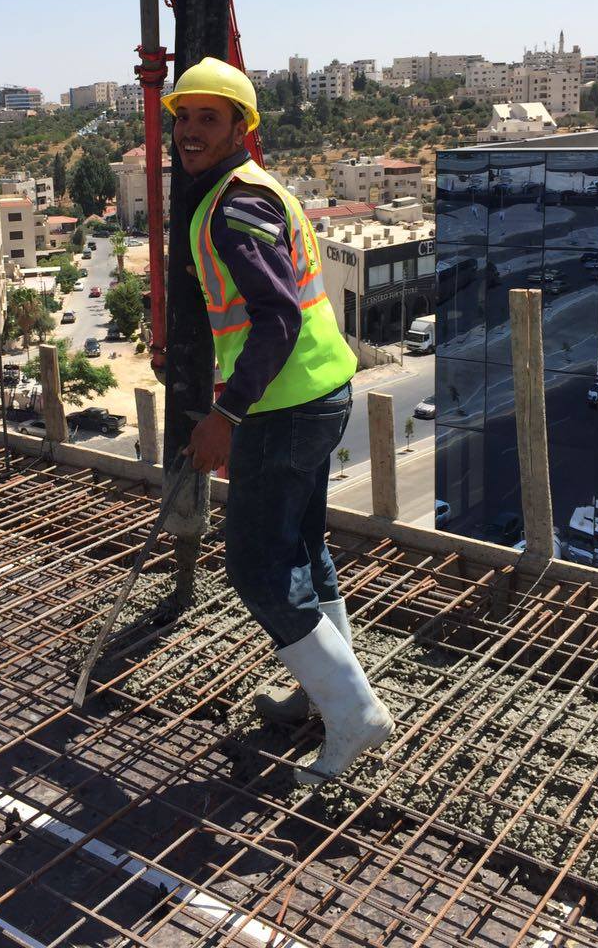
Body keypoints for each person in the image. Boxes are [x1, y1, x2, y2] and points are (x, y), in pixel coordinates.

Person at [162, 57, 394, 783]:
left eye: (209, 118)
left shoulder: (235, 206)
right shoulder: (253, 189)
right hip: (316, 392)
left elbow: (276, 318)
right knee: (300, 548)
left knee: (258, 569)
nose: (191, 130)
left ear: (240, 127)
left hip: (282, 405)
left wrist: (225, 414)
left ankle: (353, 713)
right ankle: (327, 693)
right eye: (183, 117)